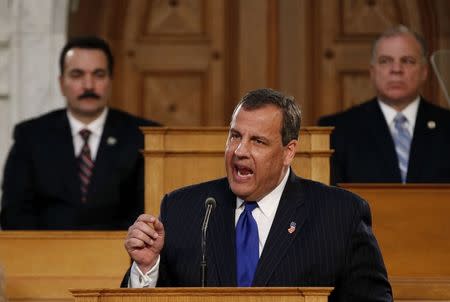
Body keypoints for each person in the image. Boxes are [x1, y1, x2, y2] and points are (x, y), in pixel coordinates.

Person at [122, 88, 393, 302]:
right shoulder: (183, 209)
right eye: (235, 136)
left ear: (288, 151)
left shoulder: (340, 214)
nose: (240, 150)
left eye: (258, 141)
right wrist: (146, 269)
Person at [0, 36, 160, 230]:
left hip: (122, 255)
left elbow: (152, 211)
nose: (88, 85)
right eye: (77, 75)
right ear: (61, 83)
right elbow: (14, 212)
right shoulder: (31, 136)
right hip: (45, 255)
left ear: (110, 81)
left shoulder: (144, 136)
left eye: (98, 74)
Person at [319, 25, 450, 185]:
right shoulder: (336, 130)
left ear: (424, 71)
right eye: (385, 61)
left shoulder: (446, 126)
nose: (396, 69)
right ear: (372, 71)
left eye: (407, 61)